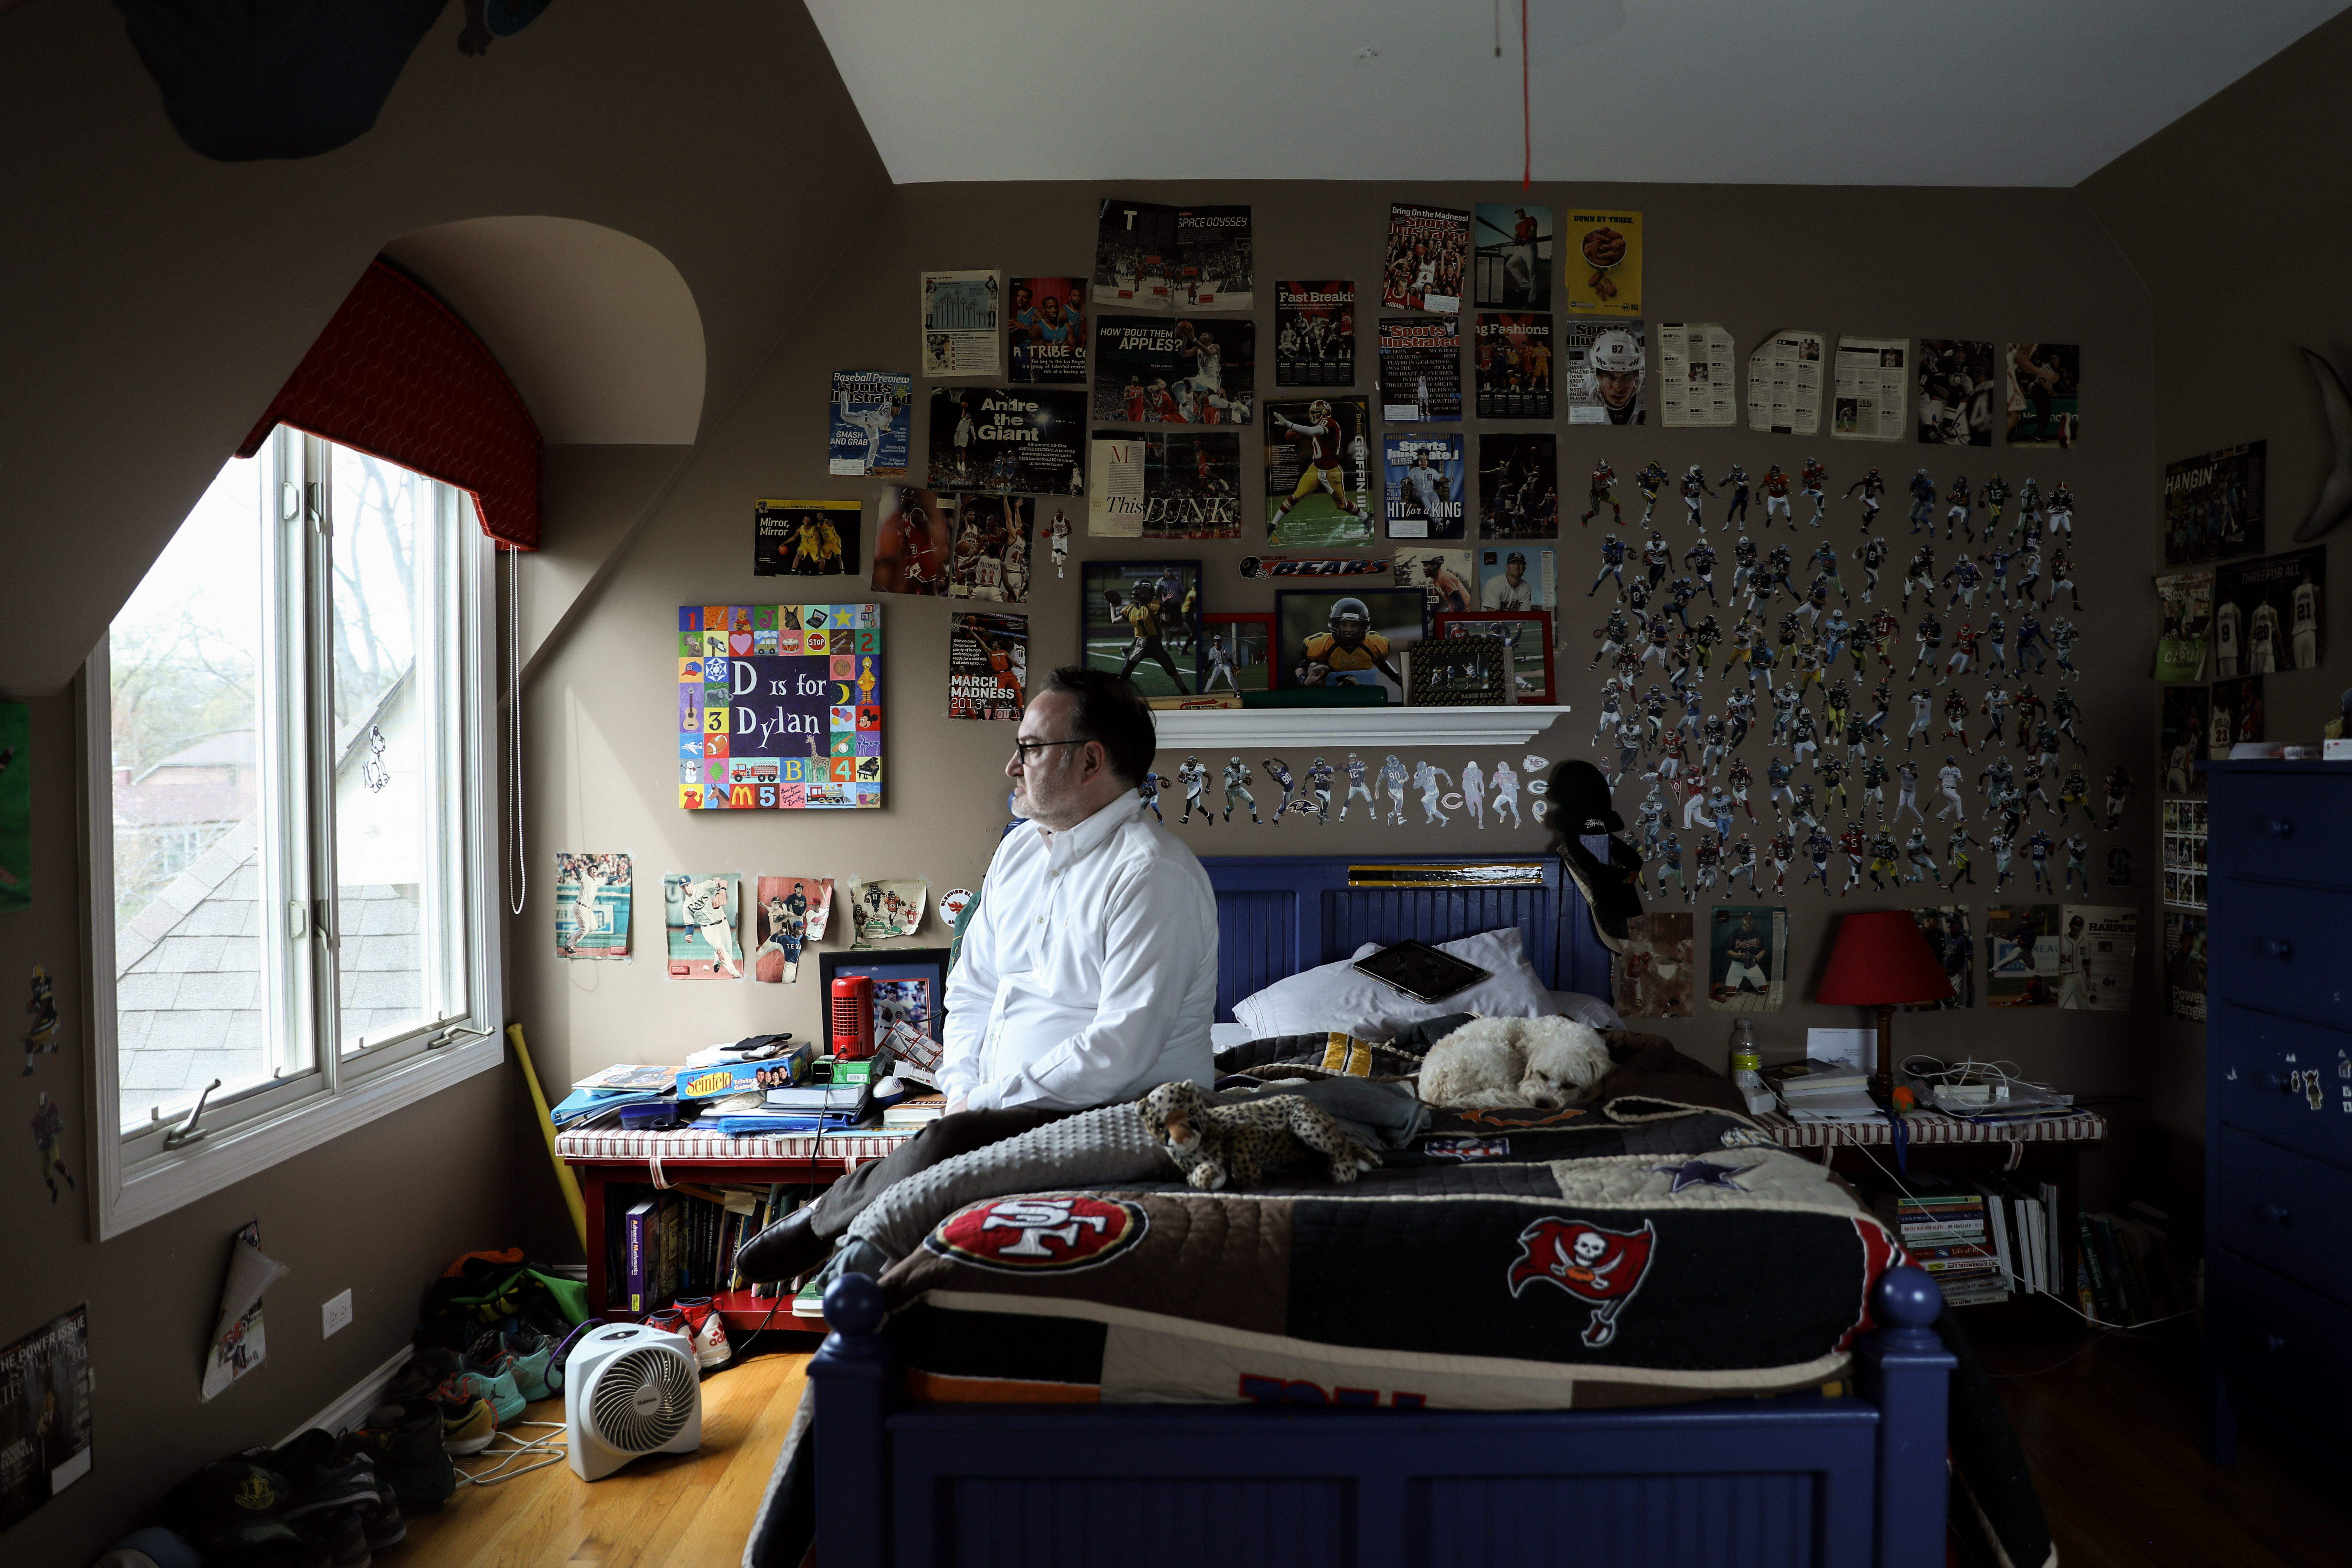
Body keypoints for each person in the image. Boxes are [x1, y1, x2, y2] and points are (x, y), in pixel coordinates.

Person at [739, 669, 1218, 1284]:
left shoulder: (1151, 875)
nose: (1011, 766)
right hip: (996, 1107)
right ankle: (847, 1237)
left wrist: (982, 1105)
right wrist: (962, 1085)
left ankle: (822, 1228)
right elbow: (971, 990)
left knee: (942, 1151)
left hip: (1121, 1113)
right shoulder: (1019, 852)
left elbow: (1120, 1049)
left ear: (1089, 761)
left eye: (1030, 748)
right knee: (944, 1145)